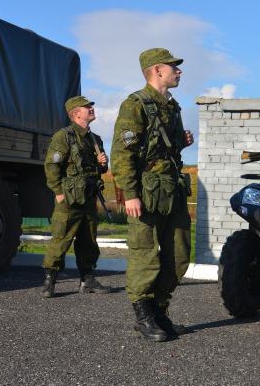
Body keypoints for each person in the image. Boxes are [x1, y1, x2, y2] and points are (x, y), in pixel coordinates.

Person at [111, 48, 194, 342]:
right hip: (146, 191)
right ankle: (144, 315)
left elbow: (162, 150)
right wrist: (130, 194)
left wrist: (180, 146)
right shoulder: (135, 105)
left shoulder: (172, 107)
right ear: (157, 70)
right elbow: (122, 154)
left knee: (180, 254)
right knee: (144, 255)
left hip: (172, 189)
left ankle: (159, 310)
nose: (179, 72)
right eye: (175, 67)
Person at [41, 96, 110, 298]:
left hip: (88, 197)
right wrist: (59, 193)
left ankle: (87, 280)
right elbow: (52, 166)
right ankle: (49, 281)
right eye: (87, 106)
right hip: (69, 198)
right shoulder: (64, 136)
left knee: (89, 240)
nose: (91, 108)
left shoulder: (95, 139)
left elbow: (100, 170)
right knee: (61, 238)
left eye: (91, 106)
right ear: (75, 113)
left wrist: (102, 163)